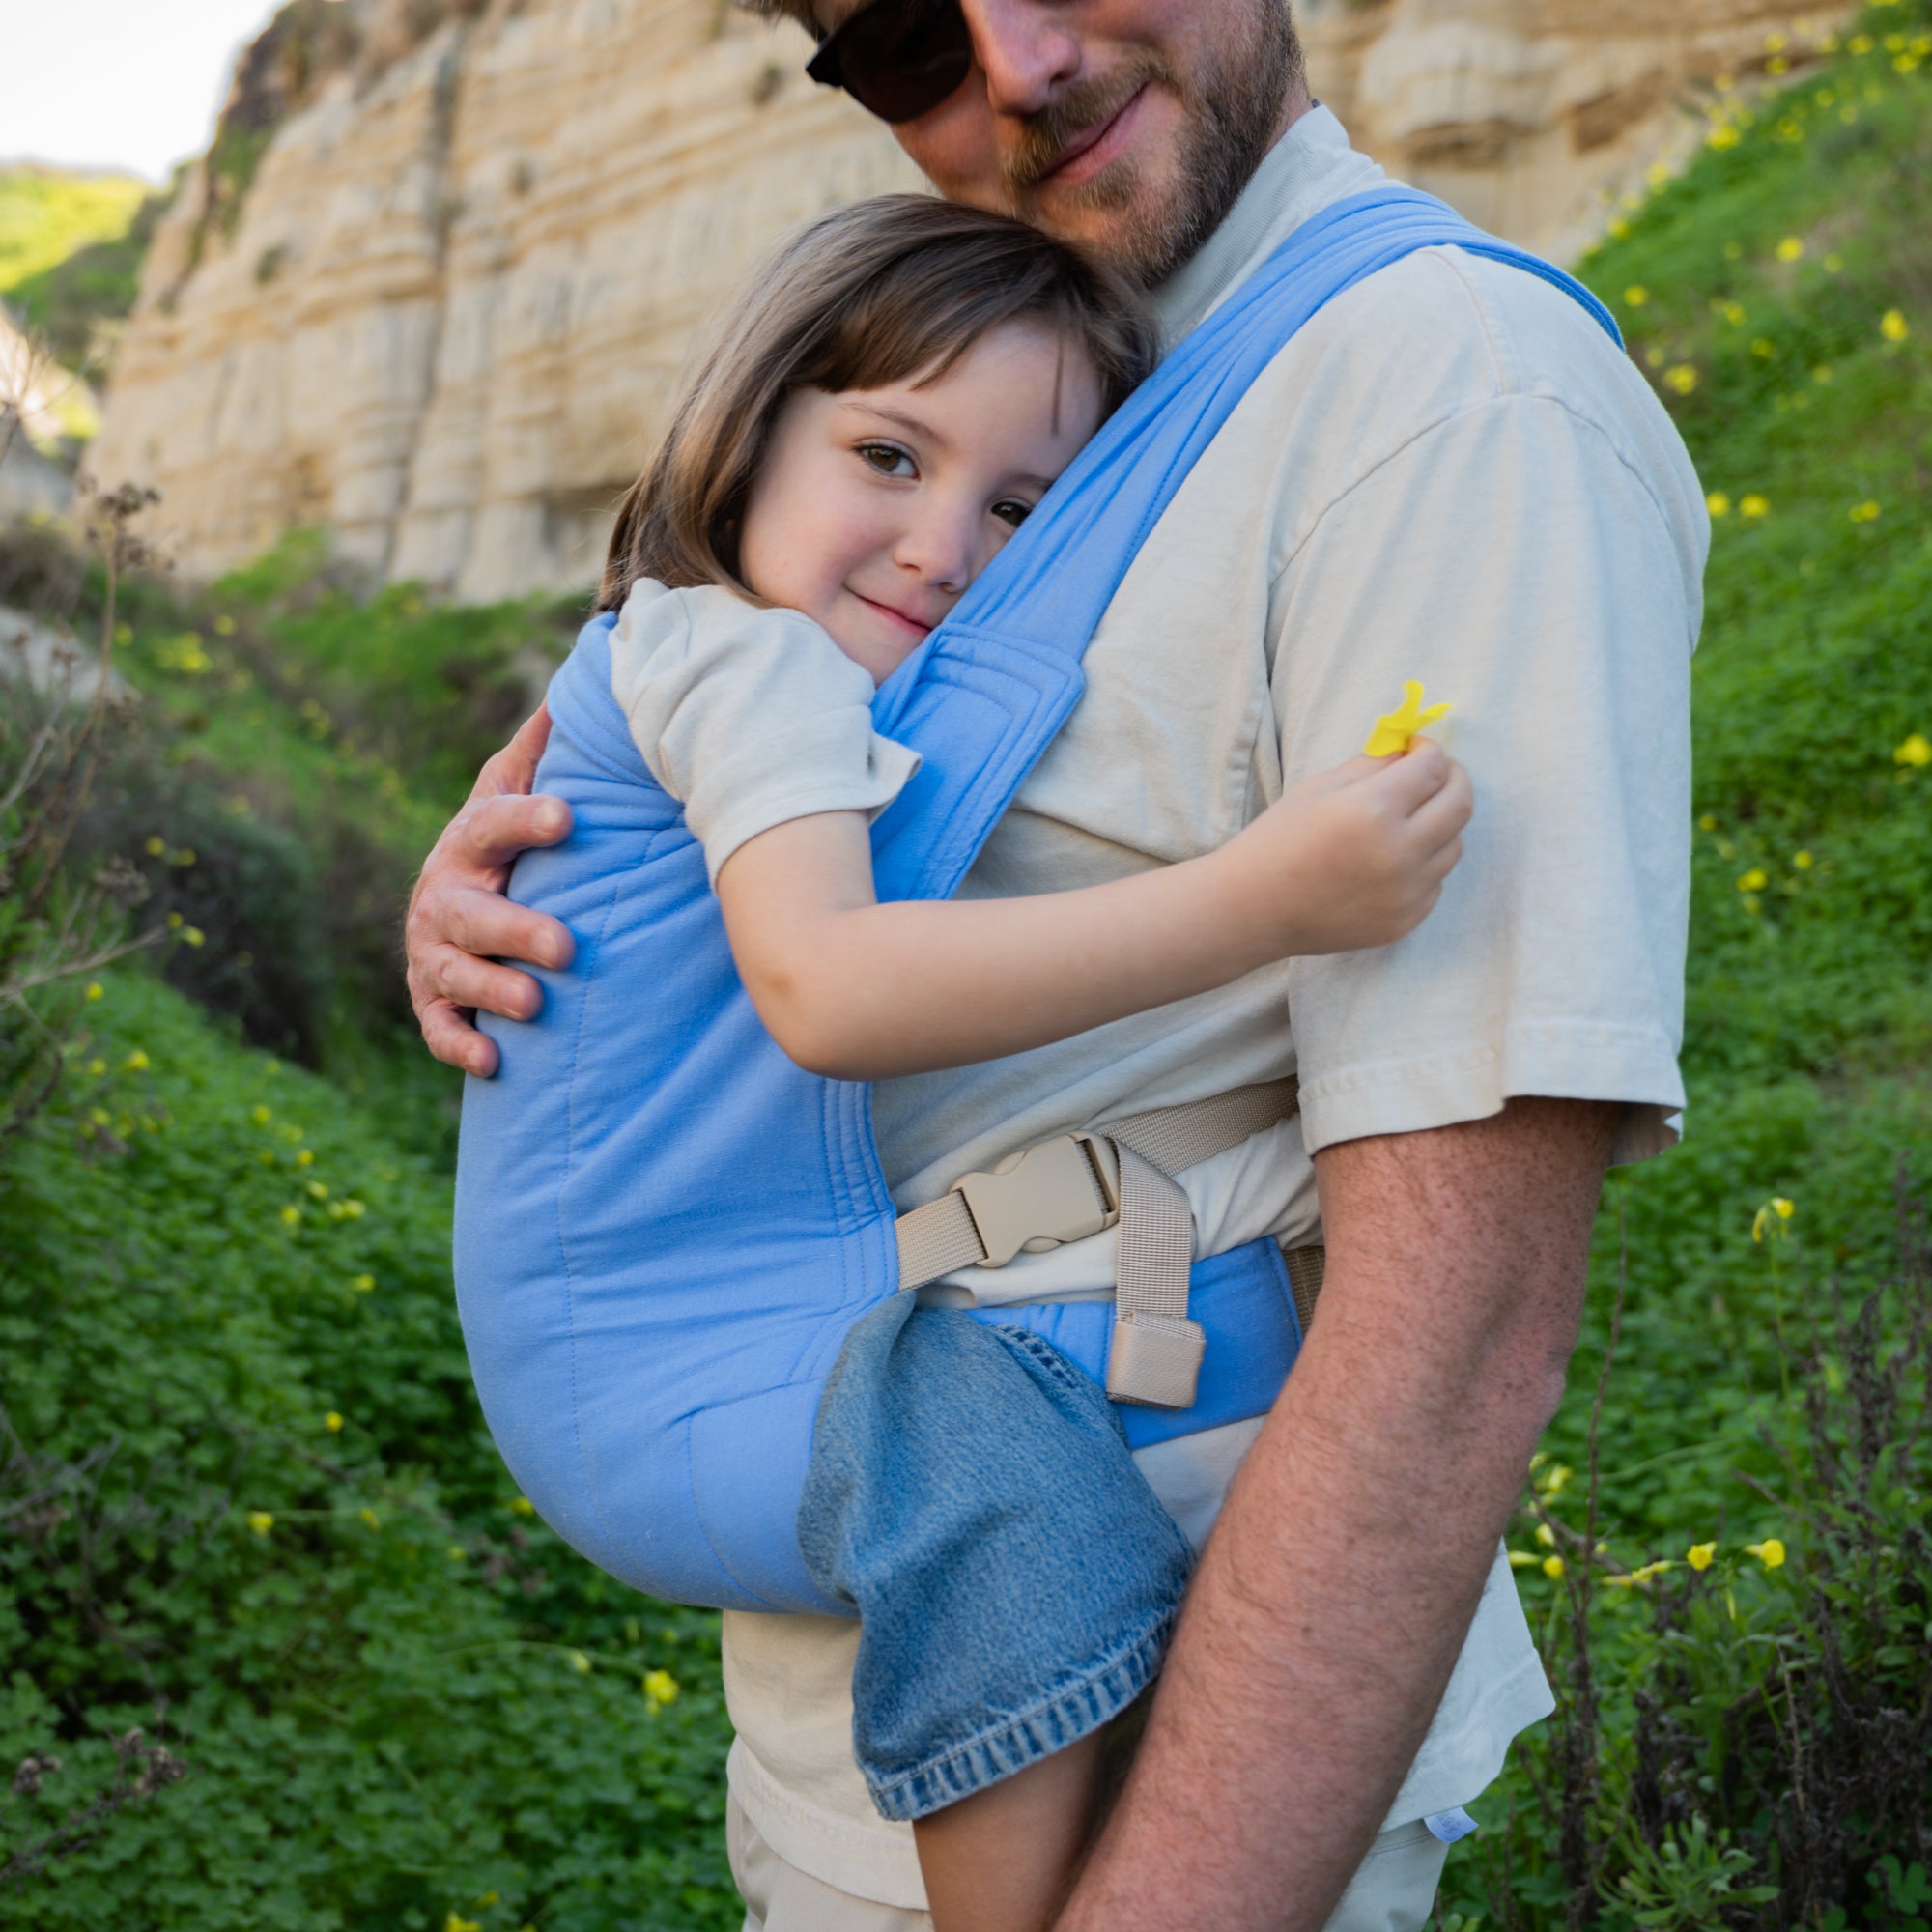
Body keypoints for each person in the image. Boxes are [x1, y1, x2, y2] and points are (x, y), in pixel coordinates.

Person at [406, 3, 1707, 1927]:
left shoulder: (1443, 398)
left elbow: (1457, 1325)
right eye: (905, 39)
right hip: (869, 1704)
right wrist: (544, 908)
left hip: (1158, 1766)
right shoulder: (1065, 371)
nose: (1012, 62)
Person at [467, 190, 1469, 1932]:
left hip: (676, 1323)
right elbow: (836, 991)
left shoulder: (703, 653)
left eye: (1021, 506)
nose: (945, 543)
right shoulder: (741, 654)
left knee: (1005, 1466)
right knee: (998, 1479)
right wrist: (1264, 898)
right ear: (750, 421)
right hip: (661, 1361)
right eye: (888, 453)